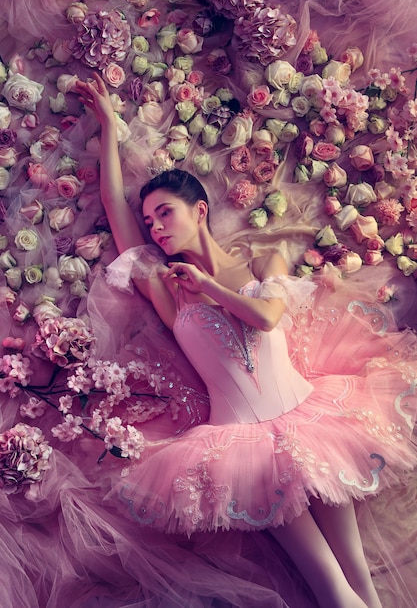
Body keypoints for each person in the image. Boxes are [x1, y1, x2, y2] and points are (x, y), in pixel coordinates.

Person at [75, 73, 417, 608]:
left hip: (311, 419)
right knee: (330, 587)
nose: (157, 228)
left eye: (166, 213)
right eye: (151, 221)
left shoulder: (264, 262)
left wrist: (210, 286)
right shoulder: (167, 288)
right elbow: (117, 213)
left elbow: (265, 318)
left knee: (359, 575)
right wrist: (108, 127)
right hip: (242, 447)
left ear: (200, 210)